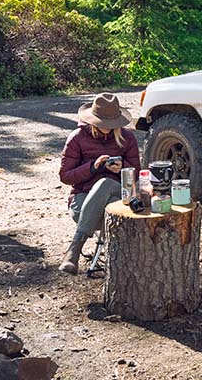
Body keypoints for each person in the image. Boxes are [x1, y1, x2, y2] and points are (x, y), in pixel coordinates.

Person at [58, 92, 140, 275]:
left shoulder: (127, 138)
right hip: (83, 200)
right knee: (104, 187)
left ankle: (74, 250)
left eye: (110, 124)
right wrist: (93, 168)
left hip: (120, 196)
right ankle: (78, 249)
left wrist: (122, 168)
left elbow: (136, 175)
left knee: (106, 183)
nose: (107, 128)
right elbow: (65, 176)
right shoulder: (77, 138)